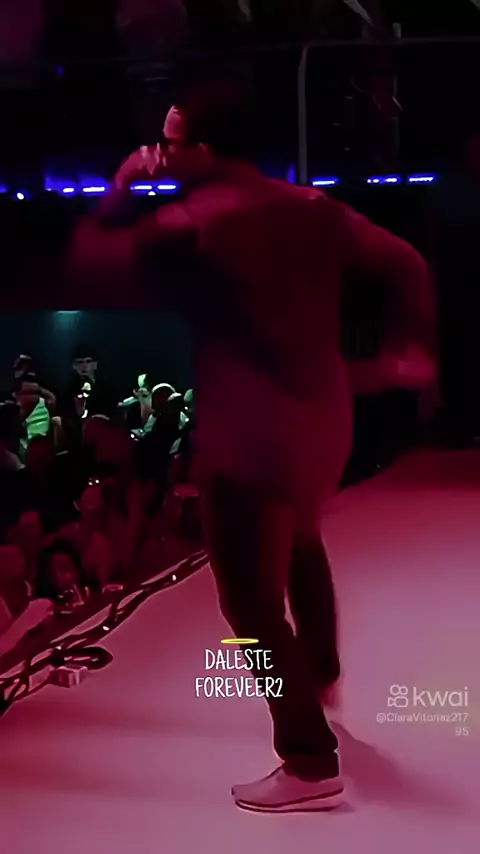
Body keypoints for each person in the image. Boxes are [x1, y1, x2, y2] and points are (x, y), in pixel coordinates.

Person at [69, 82, 436, 812]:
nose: (160, 153)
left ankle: (307, 758)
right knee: (299, 540)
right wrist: (410, 349)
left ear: (203, 151)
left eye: (171, 143)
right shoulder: (313, 208)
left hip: (248, 435)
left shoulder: (195, 221)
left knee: (248, 608)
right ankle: (320, 672)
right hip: (322, 426)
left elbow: (89, 261)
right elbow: (408, 263)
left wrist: (121, 186)